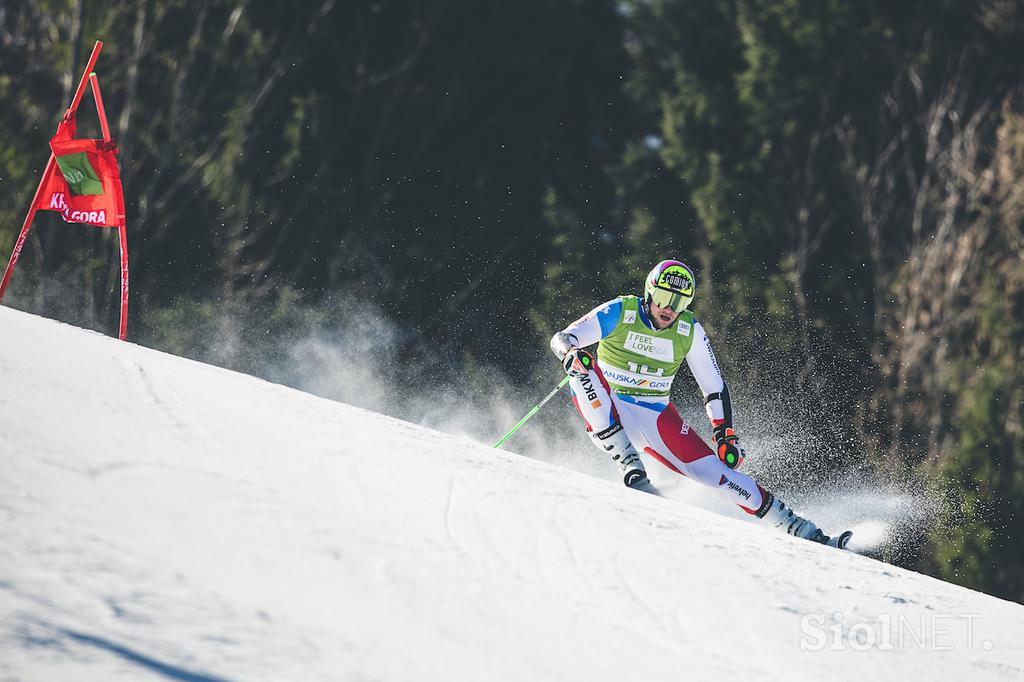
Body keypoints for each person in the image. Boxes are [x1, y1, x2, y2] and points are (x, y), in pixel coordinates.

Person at [549, 259, 850, 548]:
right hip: (607, 406)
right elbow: (563, 338)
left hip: (654, 415)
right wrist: (569, 354)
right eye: (665, 297)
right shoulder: (622, 310)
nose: (669, 308)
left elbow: (714, 387)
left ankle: (804, 531)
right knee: (581, 367)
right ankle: (630, 466)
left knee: (720, 475)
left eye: (679, 302)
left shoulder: (688, 330)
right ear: (650, 292)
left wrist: (725, 435)